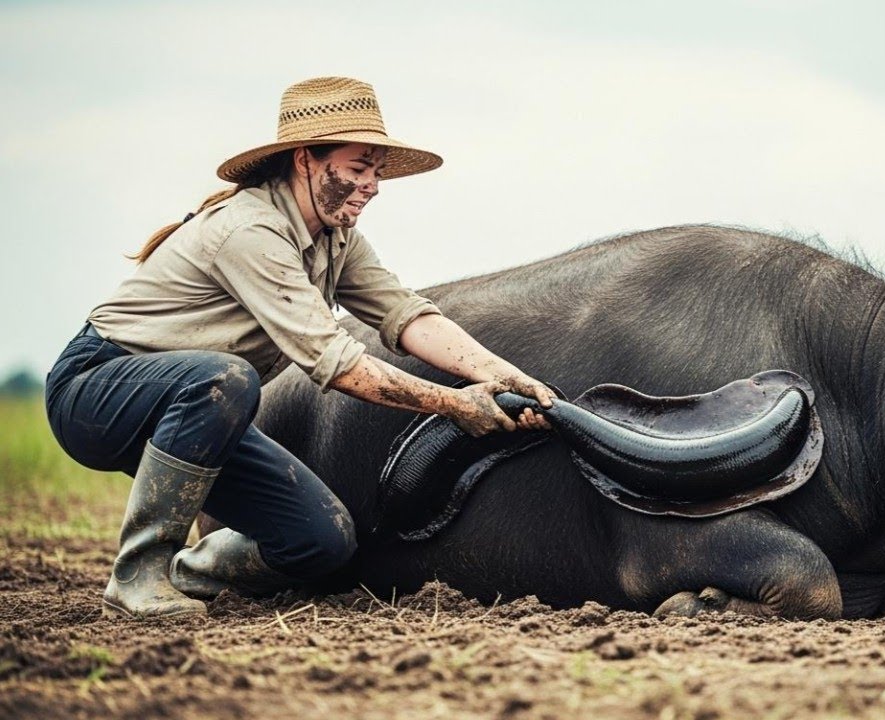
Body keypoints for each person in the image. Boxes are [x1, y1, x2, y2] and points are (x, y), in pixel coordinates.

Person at [44, 77, 554, 619]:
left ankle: (188, 572)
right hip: (98, 391)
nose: (372, 185)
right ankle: (138, 573)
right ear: (306, 159)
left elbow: (406, 315)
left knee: (323, 542)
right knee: (227, 377)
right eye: (357, 168)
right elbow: (336, 363)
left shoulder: (339, 240)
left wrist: (503, 376)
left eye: (376, 172)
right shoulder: (250, 230)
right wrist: (453, 403)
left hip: (198, 414)